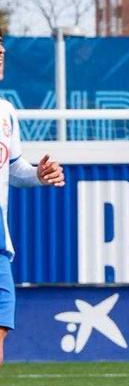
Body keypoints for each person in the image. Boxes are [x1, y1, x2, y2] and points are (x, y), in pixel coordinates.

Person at [0, 33, 67, 365]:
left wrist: (38, 175)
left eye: (0, 47)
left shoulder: (6, 112)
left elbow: (13, 169)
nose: (0, 53)